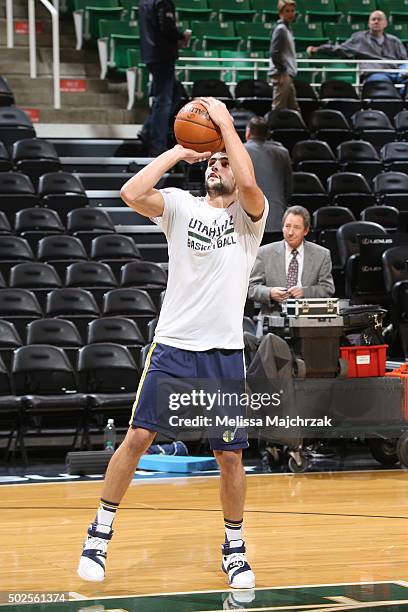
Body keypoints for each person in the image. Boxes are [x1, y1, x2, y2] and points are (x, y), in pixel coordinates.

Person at [77, 97, 268, 589]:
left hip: (223, 351)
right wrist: (179, 151)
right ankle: (99, 534)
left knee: (230, 456)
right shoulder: (181, 207)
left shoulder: (252, 218)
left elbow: (247, 181)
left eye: (223, 160)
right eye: (213, 160)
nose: (216, 166)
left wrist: (225, 127)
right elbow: (130, 190)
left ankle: (235, 546)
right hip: (174, 345)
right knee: (139, 438)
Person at [248, 205, 334, 315]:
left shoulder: (322, 255)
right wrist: (270, 293)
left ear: (306, 230)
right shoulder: (264, 253)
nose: (290, 232)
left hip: (308, 318)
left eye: (296, 227)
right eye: (287, 226)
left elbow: (327, 288)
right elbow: (251, 288)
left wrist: (304, 292)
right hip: (273, 316)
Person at [138, 0, 191, 157]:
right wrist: (182, 36)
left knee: (174, 94)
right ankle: (157, 146)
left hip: (151, 53)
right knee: (164, 100)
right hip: (162, 55)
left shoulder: (144, 2)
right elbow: (167, 28)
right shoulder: (163, 2)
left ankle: (147, 130)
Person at [307, 11, 408, 88]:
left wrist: (404, 71)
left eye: (379, 19)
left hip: (396, 73)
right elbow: (341, 49)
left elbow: (404, 60)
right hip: (375, 73)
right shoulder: (359, 39)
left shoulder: (395, 41)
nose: (376, 21)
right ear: (369, 24)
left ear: (385, 23)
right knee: (381, 82)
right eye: (373, 19)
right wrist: (319, 49)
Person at [244, 116, 292, 232]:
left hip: (247, 221)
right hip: (276, 219)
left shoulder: (240, 150)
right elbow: (289, 190)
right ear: (267, 134)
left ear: (248, 132)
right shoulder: (283, 153)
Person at [268, 0, 301, 111]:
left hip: (286, 74)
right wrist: (282, 71)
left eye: (292, 10)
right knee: (278, 107)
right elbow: (274, 52)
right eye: (287, 11)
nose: (290, 14)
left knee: (294, 108)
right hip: (282, 74)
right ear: (280, 13)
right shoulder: (281, 29)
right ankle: (270, 128)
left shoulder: (287, 29)